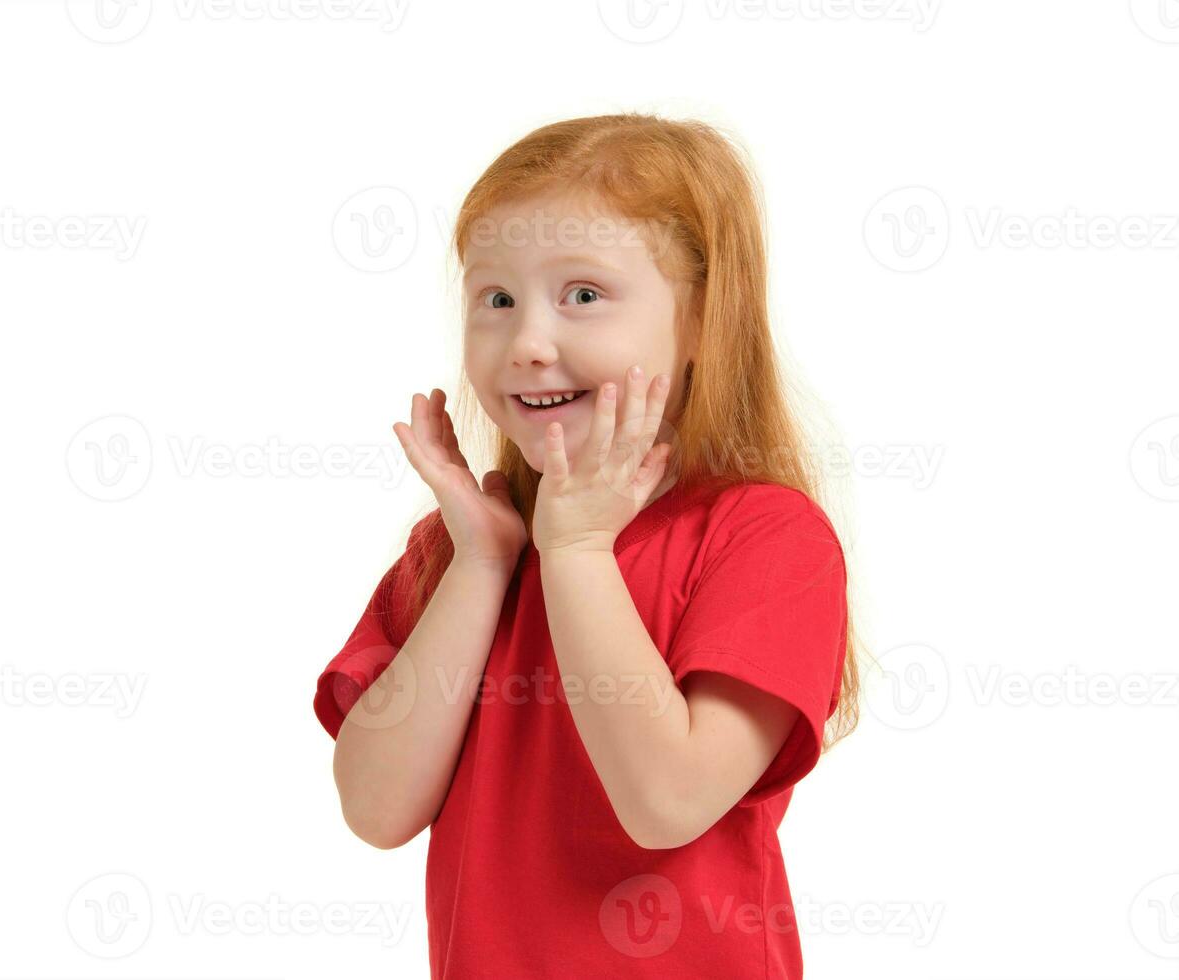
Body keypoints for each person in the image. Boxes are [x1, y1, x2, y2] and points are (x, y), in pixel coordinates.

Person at [313, 112, 861, 979]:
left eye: (583, 295)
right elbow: (375, 809)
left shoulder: (766, 538)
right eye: (496, 299)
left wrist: (576, 553)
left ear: (701, 323)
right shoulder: (459, 551)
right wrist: (485, 564)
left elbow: (666, 800)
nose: (528, 344)